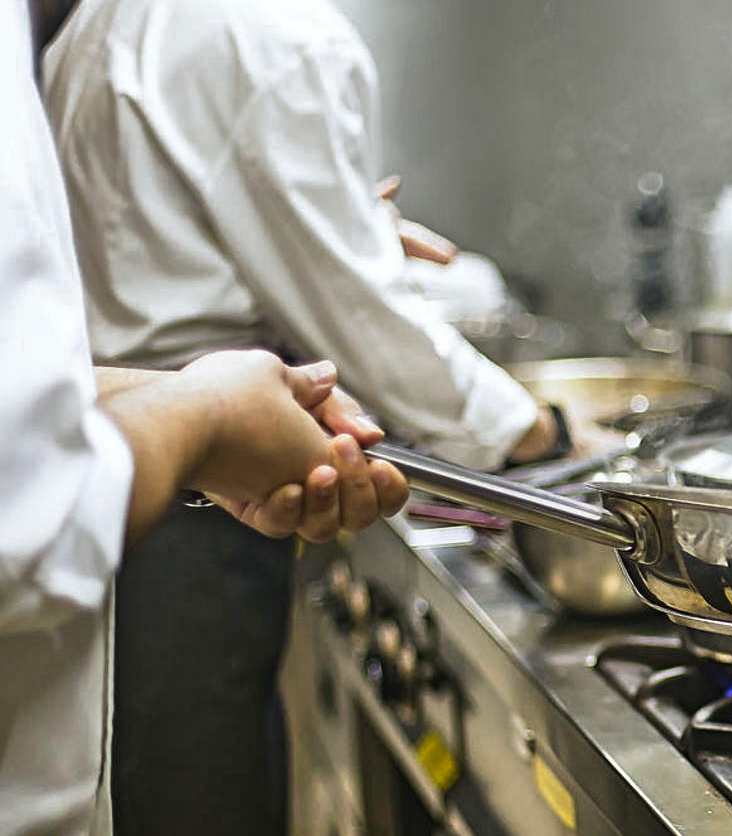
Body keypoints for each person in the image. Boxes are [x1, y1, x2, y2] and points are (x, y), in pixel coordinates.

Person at [40, 0, 578, 832]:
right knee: (204, 799)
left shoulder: (103, 23)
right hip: (180, 489)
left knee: (157, 781)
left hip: (127, 453)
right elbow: (362, 320)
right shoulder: (268, 30)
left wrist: (340, 233)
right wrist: (538, 433)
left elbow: (153, 235)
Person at [3, 3, 409, 834]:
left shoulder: (86, 31)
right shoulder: (262, 31)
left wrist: (181, 397)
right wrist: (207, 414)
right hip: (145, 505)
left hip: (141, 476)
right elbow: (24, 507)